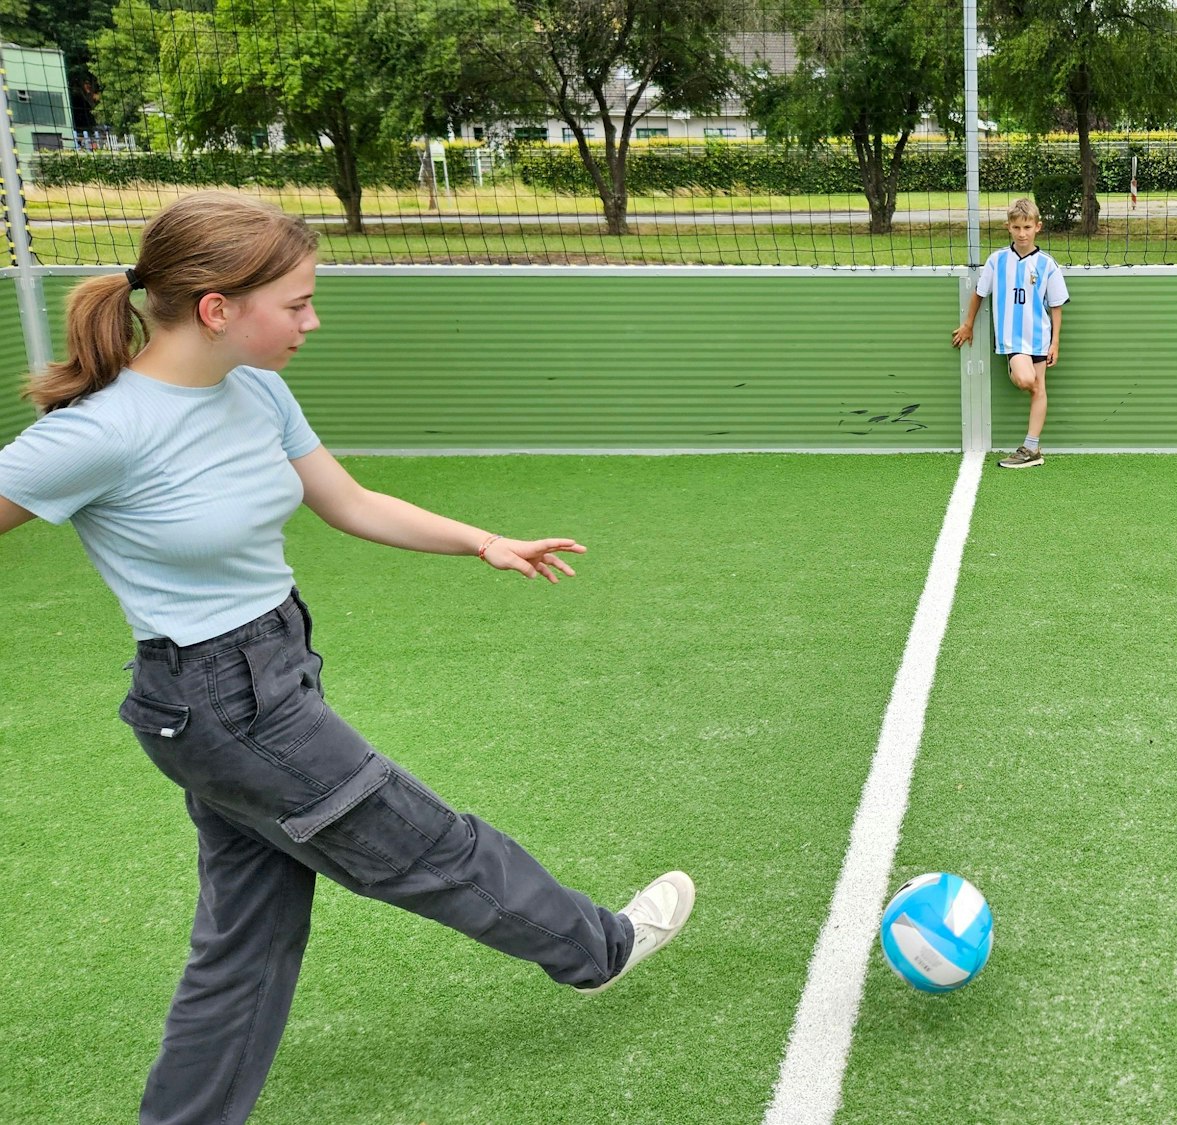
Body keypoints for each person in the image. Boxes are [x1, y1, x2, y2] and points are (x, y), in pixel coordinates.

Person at [0, 192, 695, 1125]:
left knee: (248, 935)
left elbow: (348, 501)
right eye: (295, 303)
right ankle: (597, 948)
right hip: (219, 700)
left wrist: (482, 540)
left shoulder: (255, 389)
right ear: (217, 307)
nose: (310, 321)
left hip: (272, 666)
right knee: (430, 844)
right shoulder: (103, 432)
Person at [952, 197, 1069, 469]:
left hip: (1039, 336)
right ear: (1008, 227)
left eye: (1027, 227)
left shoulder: (1047, 264)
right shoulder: (997, 261)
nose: (1022, 233)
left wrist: (1055, 342)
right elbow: (979, 294)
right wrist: (968, 324)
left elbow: (1056, 306)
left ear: (1037, 227)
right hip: (1012, 340)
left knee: (1039, 387)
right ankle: (1014, 370)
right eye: (1017, 227)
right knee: (1026, 380)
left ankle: (1031, 448)